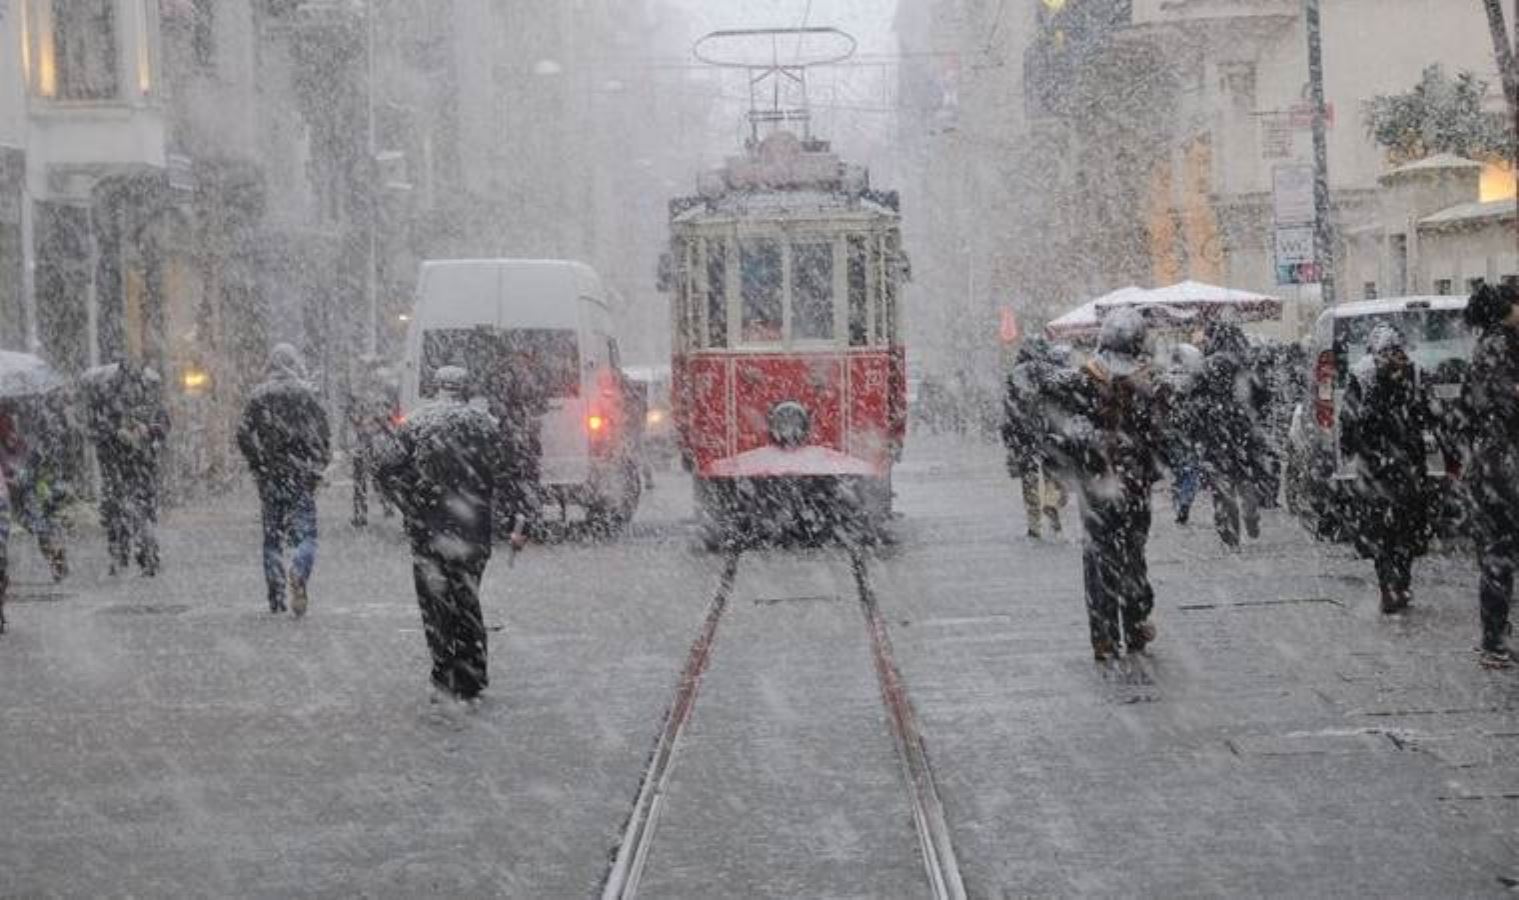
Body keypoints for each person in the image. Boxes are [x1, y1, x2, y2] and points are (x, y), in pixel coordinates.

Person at [375, 366, 523, 703]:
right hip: (473, 530)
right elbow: (511, 473)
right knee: (467, 597)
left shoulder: (415, 425)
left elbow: (384, 469)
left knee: (434, 603)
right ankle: (472, 673)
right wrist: (511, 518)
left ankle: (443, 671)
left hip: (428, 531)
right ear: (466, 390)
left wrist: (411, 503)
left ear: (435, 388)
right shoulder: (485, 425)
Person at [1052, 309, 1163, 661]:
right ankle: (1133, 625)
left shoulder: (1083, 378)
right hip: (1133, 486)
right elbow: (1158, 438)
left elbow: (1065, 429)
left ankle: (1103, 635)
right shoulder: (1148, 382)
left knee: (1098, 557)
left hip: (1097, 485)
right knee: (1132, 555)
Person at [1339, 325, 1440, 614]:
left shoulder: (1368, 374)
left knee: (1387, 526)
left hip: (1382, 462)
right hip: (1401, 461)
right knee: (1402, 525)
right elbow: (1430, 415)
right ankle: (1396, 584)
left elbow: (1350, 418)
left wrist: (1351, 448)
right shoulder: (1405, 373)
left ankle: (1391, 584)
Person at [236, 344, 331, 616]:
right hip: (301, 475)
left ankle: (276, 594)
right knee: (307, 535)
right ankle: (299, 570)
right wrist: (317, 465)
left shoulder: (259, 396)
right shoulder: (308, 394)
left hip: (271, 475)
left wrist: (258, 461)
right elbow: (324, 435)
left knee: (273, 537)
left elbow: (243, 434)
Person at [1460, 285, 1519, 666]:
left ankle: (1495, 636)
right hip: (1503, 463)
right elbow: (1502, 400)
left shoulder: (1494, 345)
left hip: (1497, 462)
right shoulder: (1498, 346)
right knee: (1501, 550)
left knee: (1500, 549)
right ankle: (1493, 640)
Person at [85, 360, 169, 575]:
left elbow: (162, 426)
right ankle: (130, 554)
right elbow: (97, 432)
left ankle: (134, 555)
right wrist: (118, 434)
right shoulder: (109, 401)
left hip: (131, 465)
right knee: (126, 510)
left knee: (127, 509)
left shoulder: (141, 400)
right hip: (125, 465)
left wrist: (147, 432)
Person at [1195, 321, 1270, 549]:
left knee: (1222, 485)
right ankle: (1251, 512)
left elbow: (1194, 400)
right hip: (1244, 430)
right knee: (1245, 477)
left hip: (1216, 432)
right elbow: (1264, 396)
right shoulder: (1248, 364)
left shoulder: (1206, 366)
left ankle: (1230, 535)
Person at [1001, 337, 1068, 538]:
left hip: (1022, 435)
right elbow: (1061, 404)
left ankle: (1034, 522)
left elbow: (1009, 409)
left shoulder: (1015, 375)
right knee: (1053, 473)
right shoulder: (1052, 372)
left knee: (1028, 479)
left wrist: (1010, 438)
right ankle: (1051, 501)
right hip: (1049, 432)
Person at [0, 399, 73, 582]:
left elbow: (18, 451)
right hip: (20, 481)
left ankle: (55, 557)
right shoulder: (18, 416)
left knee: (33, 523)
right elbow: (25, 450)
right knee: (36, 523)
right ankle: (55, 556)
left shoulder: (9, 421)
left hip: (15, 484)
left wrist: (14, 475)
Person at [345, 357, 398, 527]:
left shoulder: (365, 393)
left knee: (364, 479)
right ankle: (384, 505)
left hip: (368, 440)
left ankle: (362, 514)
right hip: (376, 440)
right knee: (377, 476)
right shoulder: (385, 392)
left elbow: (355, 417)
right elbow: (389, 416)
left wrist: (360, 422)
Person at [1159, 343, 1205, 525]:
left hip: (1170, 432)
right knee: (1191, 470)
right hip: (1190, 433)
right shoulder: (1196, 379)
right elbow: (1201, 407)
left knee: (1178, 471)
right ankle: (1185, 501)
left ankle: (1178, 502)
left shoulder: (1164, 380)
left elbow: (1158, 408)